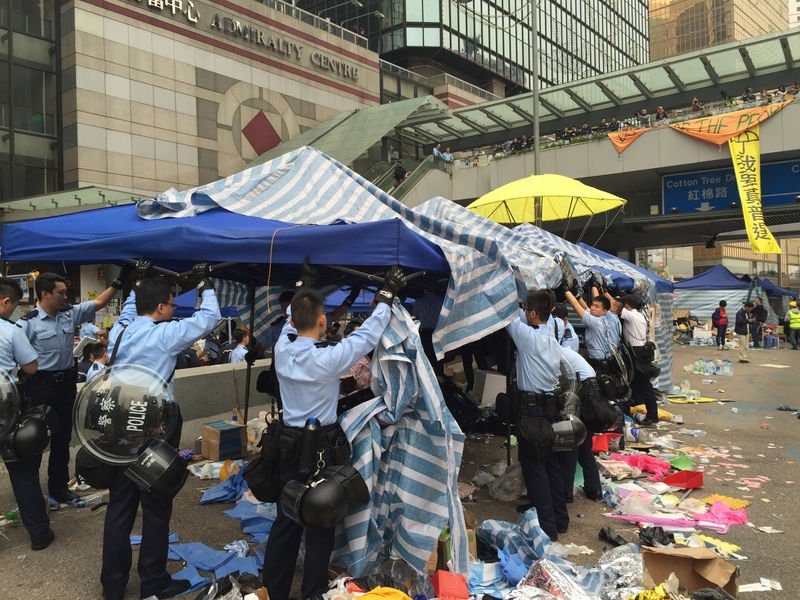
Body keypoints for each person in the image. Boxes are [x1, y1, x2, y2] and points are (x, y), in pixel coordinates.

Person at [261, 267, 405, 600]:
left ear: (294, 321)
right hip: (319, 449)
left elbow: (289, 321)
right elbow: (366, 336)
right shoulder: (327, 359)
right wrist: (385, 298)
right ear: (323, 321)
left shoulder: (283, 348)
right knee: (319, 521)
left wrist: (304, 289)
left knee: (286, 520)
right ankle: (312, 593)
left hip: (287, 446)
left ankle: (273, 591)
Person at [101, 275, 221, 600]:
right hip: (154, 428)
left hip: (121, 424)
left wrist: (137, 280)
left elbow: (130, 309)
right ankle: (153, 583)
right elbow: (209, 318)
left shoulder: (120, 330)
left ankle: (112, 586)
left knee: (120, 506)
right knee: (155, 504)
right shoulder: (164, 335)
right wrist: (207, 286)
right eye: (170, 303)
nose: (172, 309)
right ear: (161, 307)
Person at [20, 272, 121, 503]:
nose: (66, 296)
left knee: (62, 438)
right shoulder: (28, 323)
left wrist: (118, 281)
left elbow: (98, 302)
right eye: (61, 292)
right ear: (45, 294)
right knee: (34, 440)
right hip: (40, 388)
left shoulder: (69, 314)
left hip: (65, 385)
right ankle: (32, 495)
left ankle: (59, 488)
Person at [506, 289, 568, 540]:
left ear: (532, 313)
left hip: (531, 411)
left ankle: (546, 528)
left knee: (534, 469)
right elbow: (542, 312)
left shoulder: (527, 337)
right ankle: (560, 519)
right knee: (550, 464)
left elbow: (506, 315)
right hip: (549, 407)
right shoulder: (555, 333)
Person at [0, 277, 51, 550]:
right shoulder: (10, 331)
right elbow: (31, 367)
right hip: (5, 410)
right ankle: (40, 535)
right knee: (22, 473)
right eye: (14, 306)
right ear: (6, 301)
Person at [557, 347, 603, 502]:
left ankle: (565, 493)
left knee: (571, 444)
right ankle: (594, 489)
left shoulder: (553, 353)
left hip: (583, 396)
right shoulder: (565, 351)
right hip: (590, 395)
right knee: (584, 446)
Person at [613, 293, 659, 425]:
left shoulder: (631, 315)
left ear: (626, 306)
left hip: (637, 353)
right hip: (639, 351)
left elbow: (615, 305)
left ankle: (652, 415)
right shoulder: (639, 314)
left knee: (644, 385)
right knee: (636, 384)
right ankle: (638, 411)